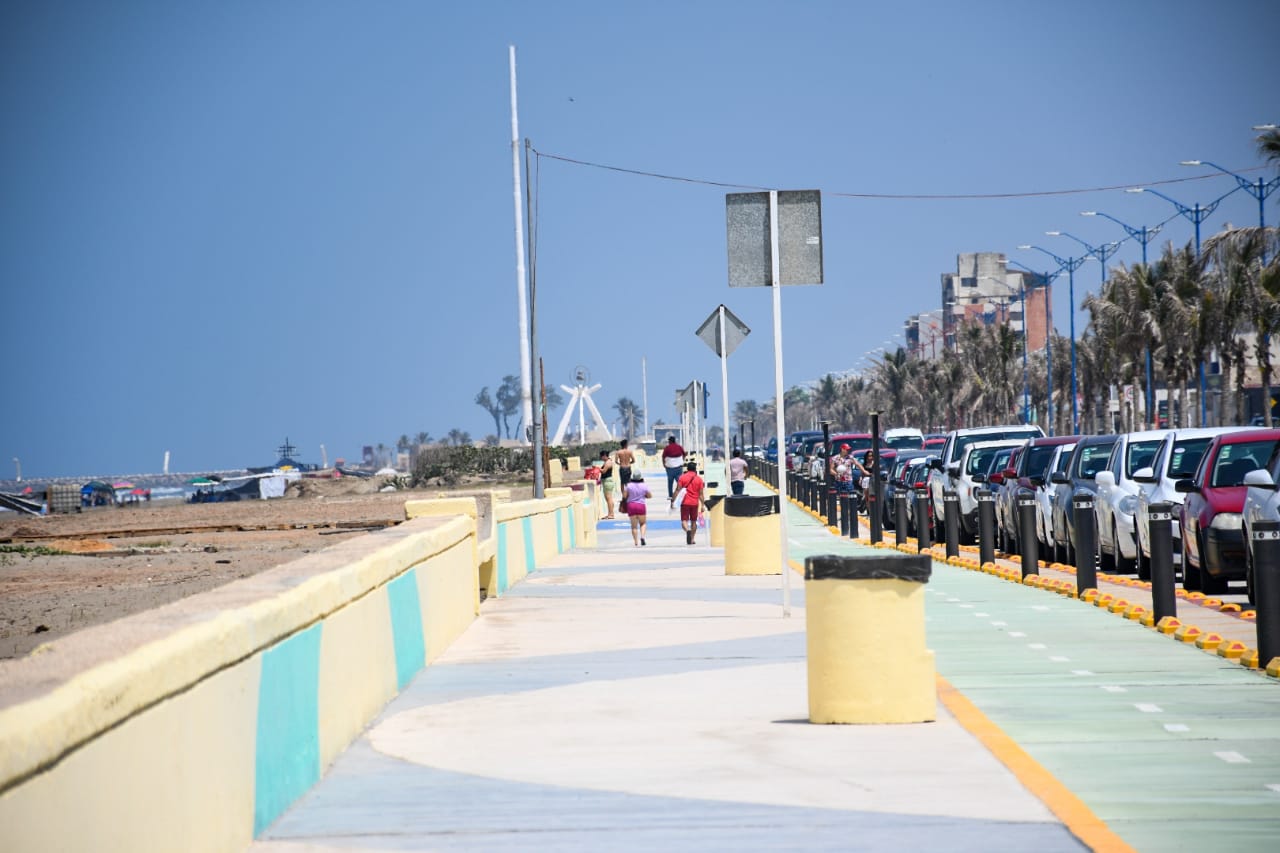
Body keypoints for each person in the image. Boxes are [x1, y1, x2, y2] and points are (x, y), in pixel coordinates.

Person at [671, 460, 705, 545]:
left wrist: (673, 500)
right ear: (695, 469)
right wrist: (703, 505)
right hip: (694, 503)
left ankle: (687, 531)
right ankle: (692, 539)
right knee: (694, 521)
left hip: (685, 502)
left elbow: (677, 490)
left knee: (684, 520)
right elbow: (701, 494)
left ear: (687, 468)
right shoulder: (699, 479)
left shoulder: (682, 477)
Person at [623, 471, 651, 546]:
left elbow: (625, 496)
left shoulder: (628, 486)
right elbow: (650, 496)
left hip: (631, 505)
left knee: (634, 526)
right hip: (641, 505)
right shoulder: (644, 486)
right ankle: (642, 537)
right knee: (643, 523)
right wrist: (643, 496)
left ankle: (636, 542)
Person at [598, 450, 617, 519]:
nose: (601, 458)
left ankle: (611, 514)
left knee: (609, 499)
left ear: (604, 456)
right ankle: (610, 513)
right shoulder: (607, 462)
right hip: (606, 481)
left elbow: (604, 471)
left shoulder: (608, 462)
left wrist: (597, 469)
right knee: (608, 499)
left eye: (601, 456)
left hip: (607, 481)